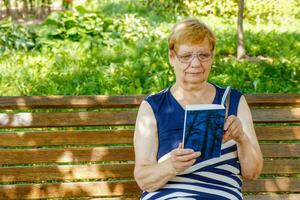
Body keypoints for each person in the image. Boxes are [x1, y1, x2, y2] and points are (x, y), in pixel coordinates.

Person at [133, 19, 263, 200]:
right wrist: (172, 165)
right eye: (186, 56)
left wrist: (242, 138)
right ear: (172, 57)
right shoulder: (154, 106)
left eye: (203, 55)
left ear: (212, 57)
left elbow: (253, 172)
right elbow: (144, 180)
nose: (195, 64)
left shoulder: (233, 101)